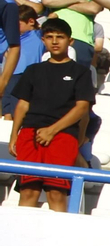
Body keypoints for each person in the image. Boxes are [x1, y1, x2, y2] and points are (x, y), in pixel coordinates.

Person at [7, 17, 93, 211]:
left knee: (56, 192)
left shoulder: (81, 72)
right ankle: (23, 238)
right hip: (30, 134)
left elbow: (81, 109)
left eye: (60, 37)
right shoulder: (33, 70)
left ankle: (59, 240)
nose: (55, 41)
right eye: (49, 37)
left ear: (70, 41)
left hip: (63, 135)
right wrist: (14, 135)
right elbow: (22, 105)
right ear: (43, 40)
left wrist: (52, 130)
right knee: (29, 190)